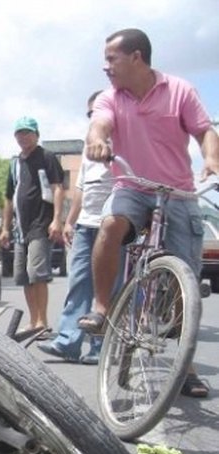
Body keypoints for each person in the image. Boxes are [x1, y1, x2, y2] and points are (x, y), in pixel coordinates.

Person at [80, 28, 219, 398]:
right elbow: (99, 125)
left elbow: (205, 131)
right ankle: (102, 308)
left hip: (178, 193)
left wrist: (211, 160)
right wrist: (97, 141)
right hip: (132, 186)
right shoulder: (110, 98)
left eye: (111, 59)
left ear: (136, 57)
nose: (106, 66)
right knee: (111, 225)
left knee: (185, 284)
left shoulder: (180, 90)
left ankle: (186, 367)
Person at [37, 91, 118, 364]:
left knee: (108, 288)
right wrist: (70, 221)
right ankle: (68, 342)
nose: (95, 117)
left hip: (114, 224)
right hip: (86, 224)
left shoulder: (127, 140)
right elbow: (82, 188)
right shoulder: (89, 146)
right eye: (91, 113)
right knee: (78, 283)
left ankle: (100, 347)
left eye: (99, 112)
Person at [0, 116, 64, 338]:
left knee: (37, 273)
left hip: (41, 224)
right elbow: (9, 197)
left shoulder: (46, 157)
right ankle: (33, 320)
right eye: (19, 133)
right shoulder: (15, 163)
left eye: (27, 132)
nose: (23, 137)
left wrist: (57, 219)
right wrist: (5, 228)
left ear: (36, 135)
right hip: (20, 229)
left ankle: (42, 322)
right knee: (24, 276)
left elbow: (57, 188)